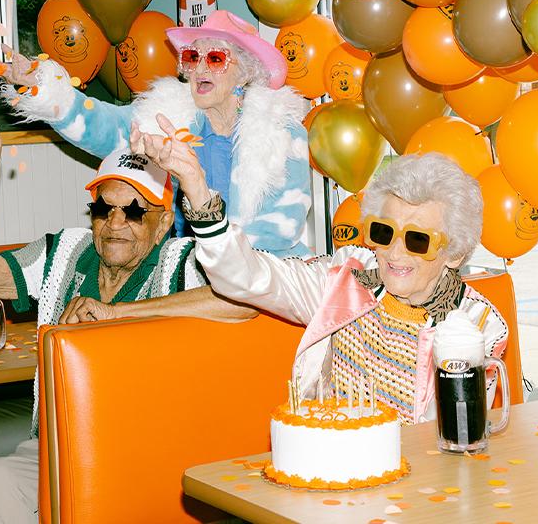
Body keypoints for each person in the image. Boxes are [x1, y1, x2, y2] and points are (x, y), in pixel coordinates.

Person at [0, 80, 256, 524]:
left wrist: (119, 315)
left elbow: (243, 301)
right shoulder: (65, 253)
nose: (115, 223)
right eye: (103, 208)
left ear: (164, 222)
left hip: (147, 453)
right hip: (59, 444)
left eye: (133, 211)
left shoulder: (180, 261)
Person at [136, 125, 508, 424]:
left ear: (455, 253)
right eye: (383, 232)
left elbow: (459, 434)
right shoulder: (346, 278)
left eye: (417, 240)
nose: (394, 252)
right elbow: (248, 276)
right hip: (331, 472)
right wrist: (197, 189)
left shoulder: (478, 326)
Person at [0, 10, 312, 257]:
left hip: (265, 277)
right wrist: (40, 85)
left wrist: (220, 266)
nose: (199, 69)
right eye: (192, 57)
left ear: (245, 72)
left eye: (214, 58)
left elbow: (277, 232)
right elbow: (102, 125)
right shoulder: (169, 115)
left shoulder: (281, 133)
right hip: (187, 270)